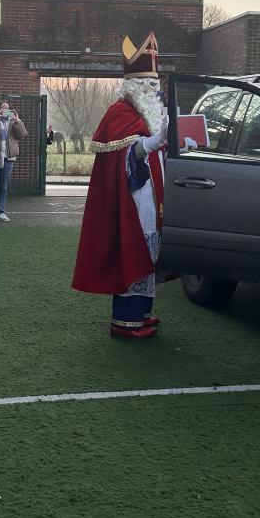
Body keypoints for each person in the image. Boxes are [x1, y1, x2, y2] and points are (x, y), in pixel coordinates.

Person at [72, 31, 167, 339]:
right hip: (132, 199)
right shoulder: (119, 112)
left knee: (149, 252)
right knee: (132, 250)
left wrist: (175, 143)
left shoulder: (150, 113)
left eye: (154, 83)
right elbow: (127, 155)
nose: (153, 88)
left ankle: (142, 314)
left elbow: (157, 153)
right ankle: (125, 322)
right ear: (132, 85)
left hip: (153, 198)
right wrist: (152, 142)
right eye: (146, 83)